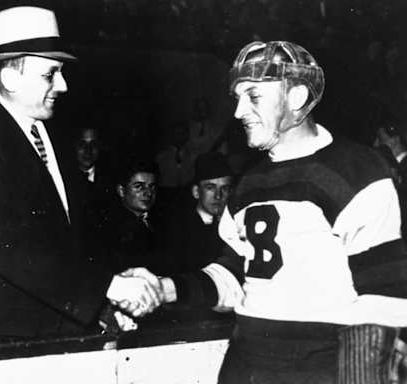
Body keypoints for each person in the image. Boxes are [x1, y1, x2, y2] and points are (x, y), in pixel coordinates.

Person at [126, 41, 407, 383]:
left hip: (320, 367)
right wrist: (164, 288)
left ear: (297, 98)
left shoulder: (356, 172)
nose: (238, 111)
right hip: (246, 362)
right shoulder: (248, 184)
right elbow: (233, 278)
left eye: (254, 96)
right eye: (238, 97)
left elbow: (385, 299)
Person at [0, 6, 161, 346]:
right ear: (10, 78)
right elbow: (10, 250)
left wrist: (105, 302)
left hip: (67, 331)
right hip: (5, 345)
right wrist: (107, 288)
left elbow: (78, 236)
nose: (63, 85)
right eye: (50, 74)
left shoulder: (53, 137)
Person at [156, 151, 233, 273]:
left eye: (225, 189)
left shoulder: (234, 224)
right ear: (196, 192)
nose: (218, 196)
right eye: (210, 188)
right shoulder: (178, 228)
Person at [94, 158, 159, 273]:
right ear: (121, 191)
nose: (148, 193)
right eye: (139, 186)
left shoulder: (160, 219)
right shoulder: (112, 228)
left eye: (152, 186)